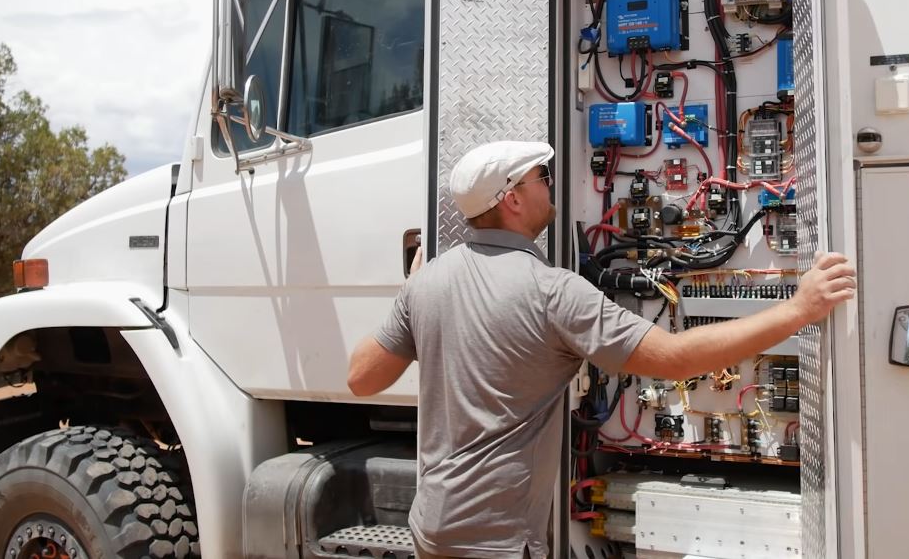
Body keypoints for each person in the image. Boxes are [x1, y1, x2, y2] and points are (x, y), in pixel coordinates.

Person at [347, 141, 856, 559]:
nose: (550, 184)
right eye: (539, 177)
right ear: (512, 200)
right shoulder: (553, 291)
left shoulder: (428, 281)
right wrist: (798, 310)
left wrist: (411, 296)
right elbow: (674, 358)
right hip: (497, 543)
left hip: (431, 527)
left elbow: (361, 380)